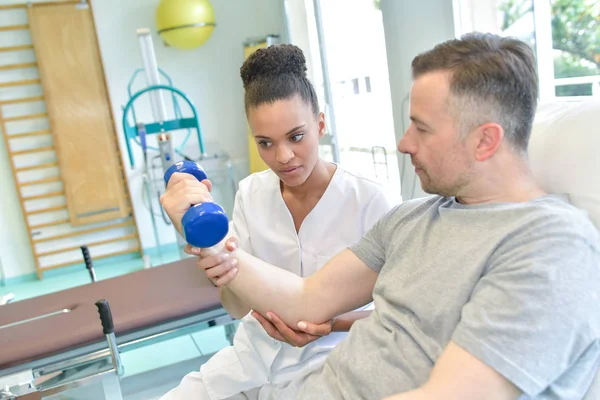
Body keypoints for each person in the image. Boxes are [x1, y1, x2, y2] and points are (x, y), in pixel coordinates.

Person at [190, 33, 600, 399]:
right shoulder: (411, 219)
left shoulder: (550, 245)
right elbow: (307, 299)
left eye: (421, 129)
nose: (404, 144)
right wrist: (212, 243)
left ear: (485, 140)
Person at [159, 44, 395, 399]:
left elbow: (401, 318)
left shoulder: (371, 199)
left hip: (335, 358)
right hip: (252, 358)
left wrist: (332, 323)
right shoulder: (251, 193)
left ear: (320, 124)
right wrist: (214, 257)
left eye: (296, 137)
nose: (283, 157)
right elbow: (236, 307)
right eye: (265, 143)